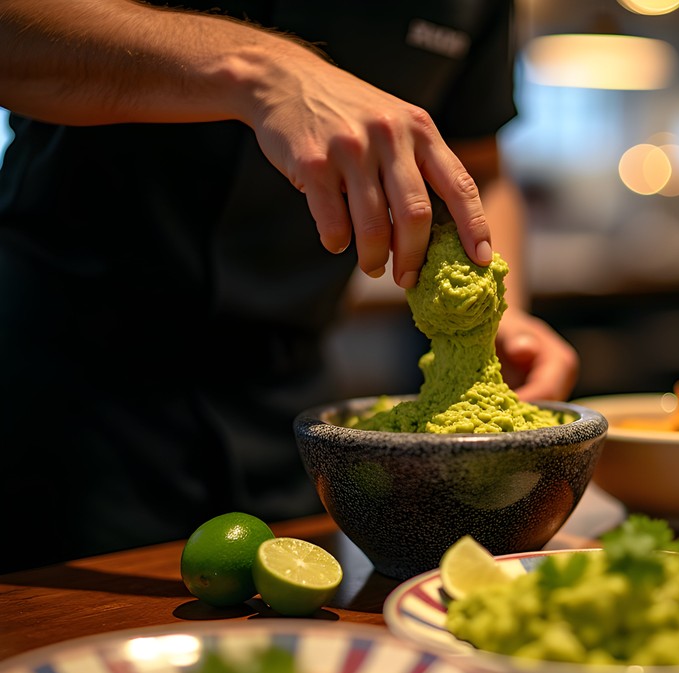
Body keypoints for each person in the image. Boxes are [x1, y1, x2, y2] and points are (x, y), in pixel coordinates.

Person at [0, 0, 578, 571]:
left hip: (289, 407)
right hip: (65, 388)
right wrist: (265, 69)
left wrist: (499, 318)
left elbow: (477, 167)